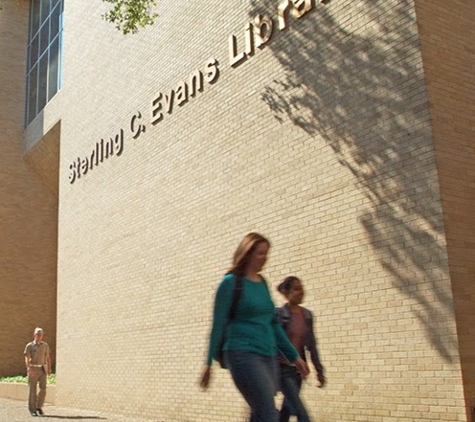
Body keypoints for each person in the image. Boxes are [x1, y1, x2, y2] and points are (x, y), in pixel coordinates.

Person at [200, 233, 309, 422]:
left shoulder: (263, 283)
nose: (265, 258)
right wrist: (208, 363)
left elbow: (273, 324)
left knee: (259, 413)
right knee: (268, 413)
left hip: (268, 355)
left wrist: (294, 357)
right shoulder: (231, 283)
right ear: (248, 253)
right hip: (242, 353)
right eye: (260, 253)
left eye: (267, 253)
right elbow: (217, 324)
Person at [276, 276, 326, 422]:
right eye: (296, 289)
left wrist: (319, 370)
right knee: (302, 414)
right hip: (282, 369)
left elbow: (312, 346)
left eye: (301, 288)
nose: (301, 292)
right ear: (286, 293)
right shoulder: (280, 315)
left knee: (285, 413)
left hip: (298, 372)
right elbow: (276, 341)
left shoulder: (307, 316)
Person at [24, 327, 51, 417]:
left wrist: (49, 368)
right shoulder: (30, 346)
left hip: (42, 369)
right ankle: (32, 409)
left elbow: (47, 358)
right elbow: (27, 358)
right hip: (33, 369)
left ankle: (39, 406)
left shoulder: (45, 345)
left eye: (41, 335)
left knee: (43, 389)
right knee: (32, 390)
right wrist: (29, 368)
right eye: (38, 334)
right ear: (34, 335)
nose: (39, 336)